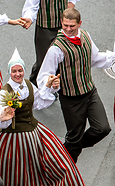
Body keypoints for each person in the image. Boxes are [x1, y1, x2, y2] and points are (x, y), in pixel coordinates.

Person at [0, 48, 87, 186]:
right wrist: (6, 114)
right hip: (13, 140)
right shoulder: (5, 92)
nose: (18, 74)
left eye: (20, 70)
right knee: (14, 175)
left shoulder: (29, 85)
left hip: (34, 135)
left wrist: (49, 87)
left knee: (36, 169)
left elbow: (40, 102)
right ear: (10, 72)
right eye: (14, 71)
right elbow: (0, 119)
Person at [37, 8, 115, 163]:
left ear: (79, 23)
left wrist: (112, 58)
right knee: (74, 138)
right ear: (61, 23)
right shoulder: (56, 48)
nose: (68, 29)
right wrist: (50, 83)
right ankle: (66, 170)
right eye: (65, 25)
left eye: (72, 26)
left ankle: (67, 150)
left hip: (90, 92)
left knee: (102, 129)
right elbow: (44, 74)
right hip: (71, 99)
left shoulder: (86, 36)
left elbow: (94, 59)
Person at [21, 0, 80, 86]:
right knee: (43, 61)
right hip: (45, 27)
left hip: (64, 26)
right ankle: (35, 86)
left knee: (64, 57)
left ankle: (56, 86)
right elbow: (31, 4)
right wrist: (29, 17)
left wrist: (70, 6)